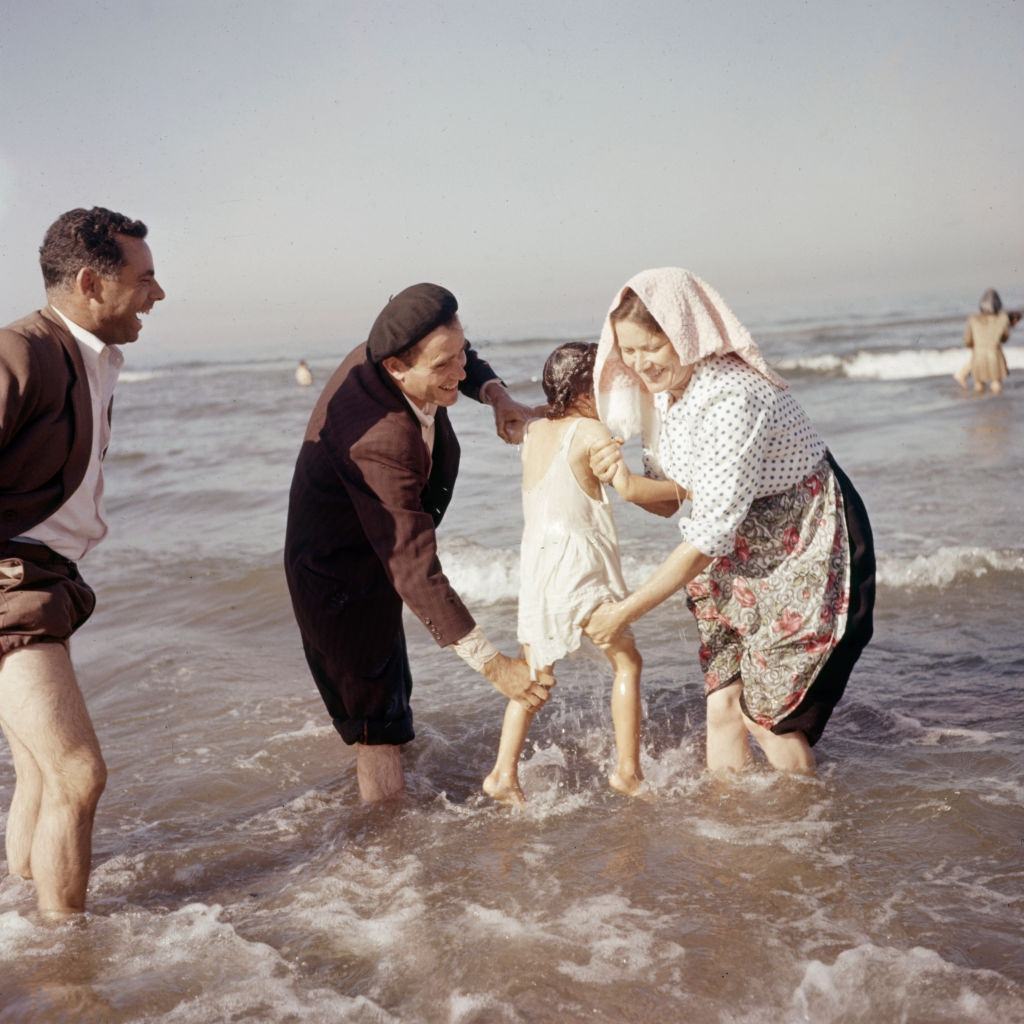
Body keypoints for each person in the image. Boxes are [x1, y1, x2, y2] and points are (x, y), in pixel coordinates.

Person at [586, 268, 875, 775]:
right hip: (739, 546)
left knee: (768, 718)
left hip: (806, 537)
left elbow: (707, 534)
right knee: (722, 702)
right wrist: (625, 482)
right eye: (627, 351)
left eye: (650, 347)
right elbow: (676, 499)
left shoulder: (732, 398)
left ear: (686, 334)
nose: (638, 364)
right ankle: (729, 828)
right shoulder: (666, 395)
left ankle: (812, 835)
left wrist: (624, 612)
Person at [284, 283, 550, 802]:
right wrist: (497, 668)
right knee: (376, 731)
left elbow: (462, 359)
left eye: (460, 353)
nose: (458, 372)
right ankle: (386, 850)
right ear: (397, 370)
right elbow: (413, 564)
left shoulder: (399, 354)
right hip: (338, 580)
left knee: (390, 705)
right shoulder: (379, 438)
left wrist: (497, 396)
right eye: (443, 367)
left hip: (374, 558)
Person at [0, 207, 165, 914]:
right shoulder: (23, 351)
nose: (158, 294)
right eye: (146, 278)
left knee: (40, 774)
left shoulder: (92, 356)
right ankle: (68, 970)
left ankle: (23, 928)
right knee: (77, 773)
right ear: (93, 282)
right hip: (13, 583)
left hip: (49, 580)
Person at [483, 343, 682, 805]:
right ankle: (628, 772)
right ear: (587, 391)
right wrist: (687, 488)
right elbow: (630, 490)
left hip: (538, 565)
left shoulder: (534, 430)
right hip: (579, 565)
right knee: (627, 661)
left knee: (533, 677)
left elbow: (534, 419)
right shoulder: (591, 430)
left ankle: (502, 773)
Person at [953, 289, 1016, 395]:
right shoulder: (1003, 319)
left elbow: (968, 340)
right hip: (994, 355)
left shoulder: (973, 319)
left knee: (978, 384)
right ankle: (996, 407)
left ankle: (980, 407)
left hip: (978, 355)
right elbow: (1005, 338)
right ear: (998, 304)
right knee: (996, 383)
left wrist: (974, 346)